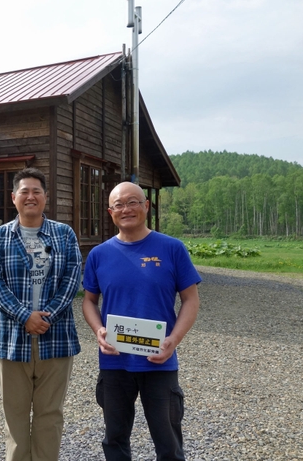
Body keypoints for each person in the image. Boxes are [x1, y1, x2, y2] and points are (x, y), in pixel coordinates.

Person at [81, 181, 201, 461]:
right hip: (114, 362)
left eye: (133, 202)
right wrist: (99, 329)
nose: (126, 209)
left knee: (168, 442)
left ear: (146, 206)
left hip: (159, 360)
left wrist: (175, 339)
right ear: (110, 212)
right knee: (115, 440)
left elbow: (191, 299)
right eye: (119, 204)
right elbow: (88, 300)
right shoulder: (99, 254)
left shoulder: (172, 248)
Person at [0, 167, 82, 461]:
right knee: (14, 416)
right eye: (24, 191)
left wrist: (46, 315)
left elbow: (72, 279)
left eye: (36, 191)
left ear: (46, 198)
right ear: (13, 198)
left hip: (57, 337)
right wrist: (25, 316)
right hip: (12, 340)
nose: (30, 196)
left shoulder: (63, 234)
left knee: (49, 415)